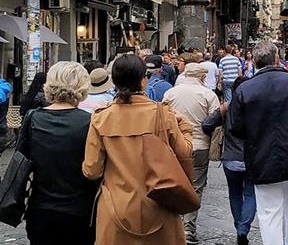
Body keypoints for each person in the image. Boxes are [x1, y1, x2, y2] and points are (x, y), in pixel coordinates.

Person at [83, 54, 193, 245]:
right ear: (143, 81)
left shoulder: (101, 118)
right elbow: (185, 153)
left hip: (115, 208)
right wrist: (186, 128)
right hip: (160, 203)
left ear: (114, 82)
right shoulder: (163, 114)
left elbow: (91, 170)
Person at [230, 41, 288, 245]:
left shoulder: (245, 89)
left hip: (260, 155)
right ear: (277, 59)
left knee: (269, 214)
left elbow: (235, 127)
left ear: (254, 61)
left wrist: (255, 132)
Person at [18, 62, 97, 245]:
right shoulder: (90, 122)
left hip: (41, 209)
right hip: (81, 210)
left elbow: (21, 161)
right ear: (82, 87)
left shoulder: (32, 118)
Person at [163, 63, 224, 244]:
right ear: (202, 77)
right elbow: (214, 122)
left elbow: (162, 117)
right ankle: (188, 228)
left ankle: (174, 225)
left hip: (174, 146)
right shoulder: (208, 95)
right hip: (199, 146)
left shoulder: (171, 93)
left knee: (174, 184)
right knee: (195, 187)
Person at [202, 77, 255, 245]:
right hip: (252, 158)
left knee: (235, 193)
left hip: (231, 158)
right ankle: (243, 228)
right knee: (251, 193)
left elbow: (207, 124)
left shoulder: (227, 108)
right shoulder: (257, 109)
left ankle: (239, 226)